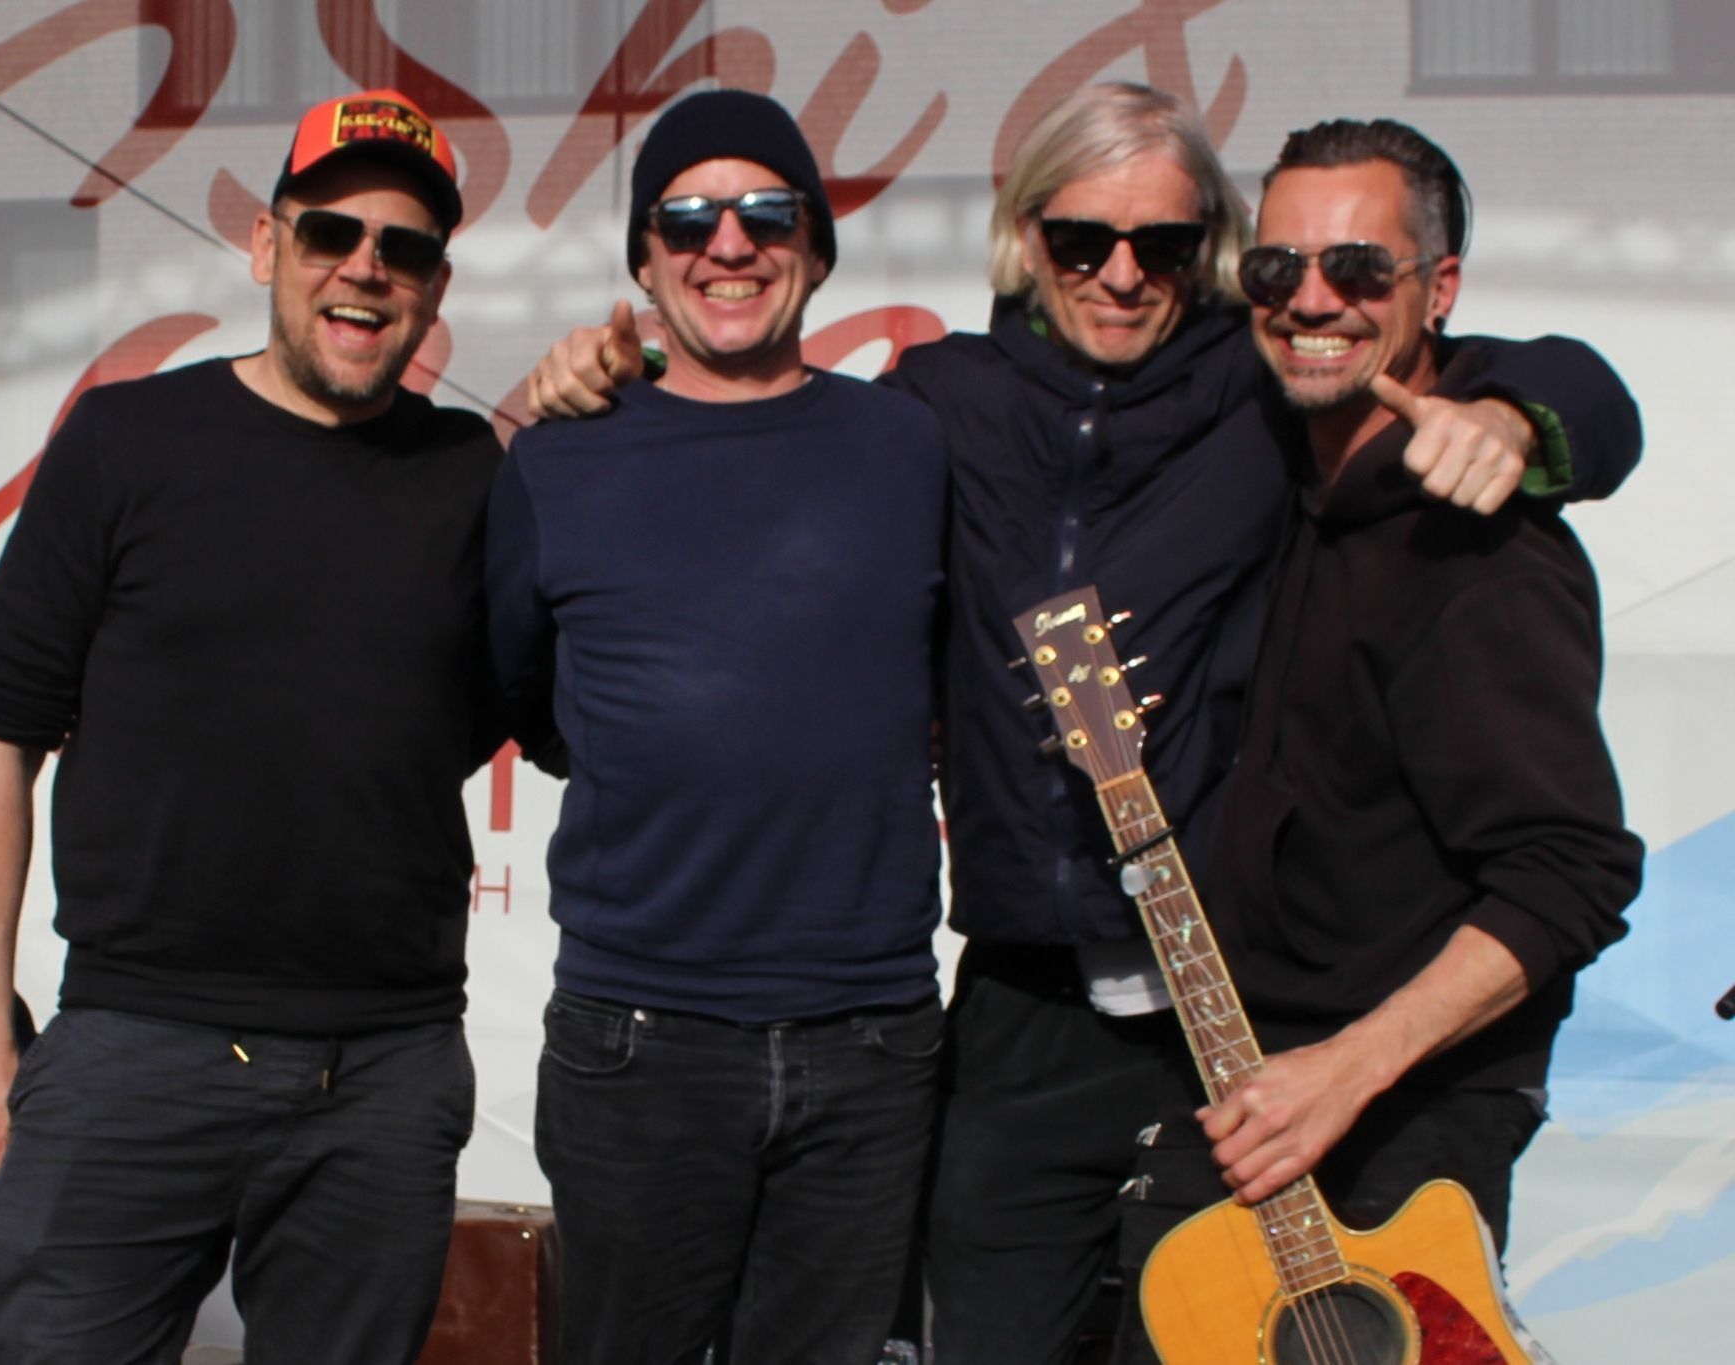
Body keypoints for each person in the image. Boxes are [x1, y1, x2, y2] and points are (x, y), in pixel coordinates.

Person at [520, 82, 1641, 1363]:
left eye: (1162, 246)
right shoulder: (935, 405)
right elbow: (735, 458)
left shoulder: (1261, 390)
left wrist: (1520, 419)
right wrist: (607, 368)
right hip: (1015, 1007)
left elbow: (1500, 376)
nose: (1119, 274)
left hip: (1222, 1005)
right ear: (1024, 239)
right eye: (1079, 241)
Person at [0, 89, 529, 1364]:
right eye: (330, 233)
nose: (364, 268)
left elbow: (547, 697)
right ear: (268, 247)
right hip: (132, 1052)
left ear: (433, 287)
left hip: (384, 1069)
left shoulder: (475, 477)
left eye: (405, 248)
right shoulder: (129, 439)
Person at [1138, 117, 1641, 1356]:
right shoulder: (1262, 457)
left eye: (1360, 269)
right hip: (1241, 1081)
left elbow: (1567, 876)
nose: (1313, 300)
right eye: (1275, 270)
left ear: (1437, 291)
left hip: (1400, 1118)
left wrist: (1346, 1070)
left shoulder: (1482, 551)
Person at [485, 90, 948, 1365]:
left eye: (763, 213)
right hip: (639, 1043)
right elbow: (529, 697)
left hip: (870, 1043)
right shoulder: (554, 457)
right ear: (643, 258)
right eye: (686, 216)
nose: (726, 245)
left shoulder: (910, 445)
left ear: (813, 244)